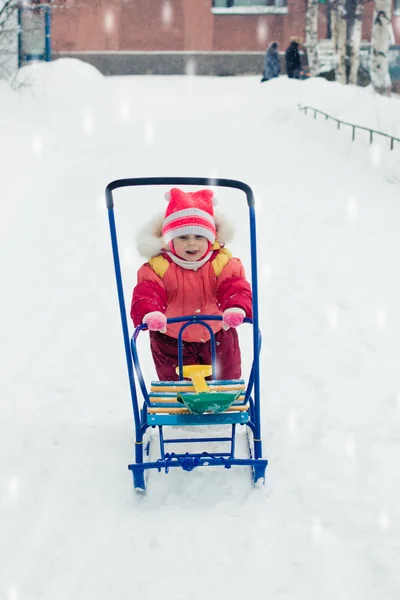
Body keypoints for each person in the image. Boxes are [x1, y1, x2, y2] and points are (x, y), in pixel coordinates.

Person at [130, 187, 252, 382]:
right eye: (183, 237)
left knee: (226, 376)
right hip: (171, 337)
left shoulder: (222, 263)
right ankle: (181, 408)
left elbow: (234, 286)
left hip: (218, 333)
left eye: (199, 237)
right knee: (177, 382)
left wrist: (236, 307)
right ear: (169, 240)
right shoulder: (157, 267)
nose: (191, 244)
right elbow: (147, 292)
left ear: (211, 239)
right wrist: (150, 312)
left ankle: (224, 404)